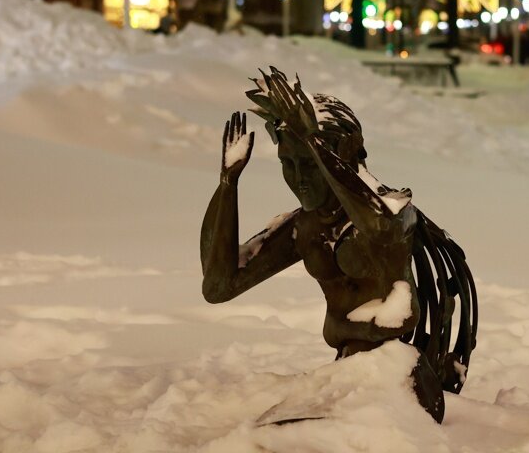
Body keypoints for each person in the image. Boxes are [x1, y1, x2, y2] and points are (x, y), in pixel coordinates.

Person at [202, 69, 476, 422]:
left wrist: (314, 141)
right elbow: (219, 285)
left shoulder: (394, 211)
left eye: (309, 164)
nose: (299, 178)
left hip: (400, 377)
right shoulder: (307, 226)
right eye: (289, 163)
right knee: (277, 434)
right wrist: (228, 185)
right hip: (347, 372)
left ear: (342, 154)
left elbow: (376, 224)